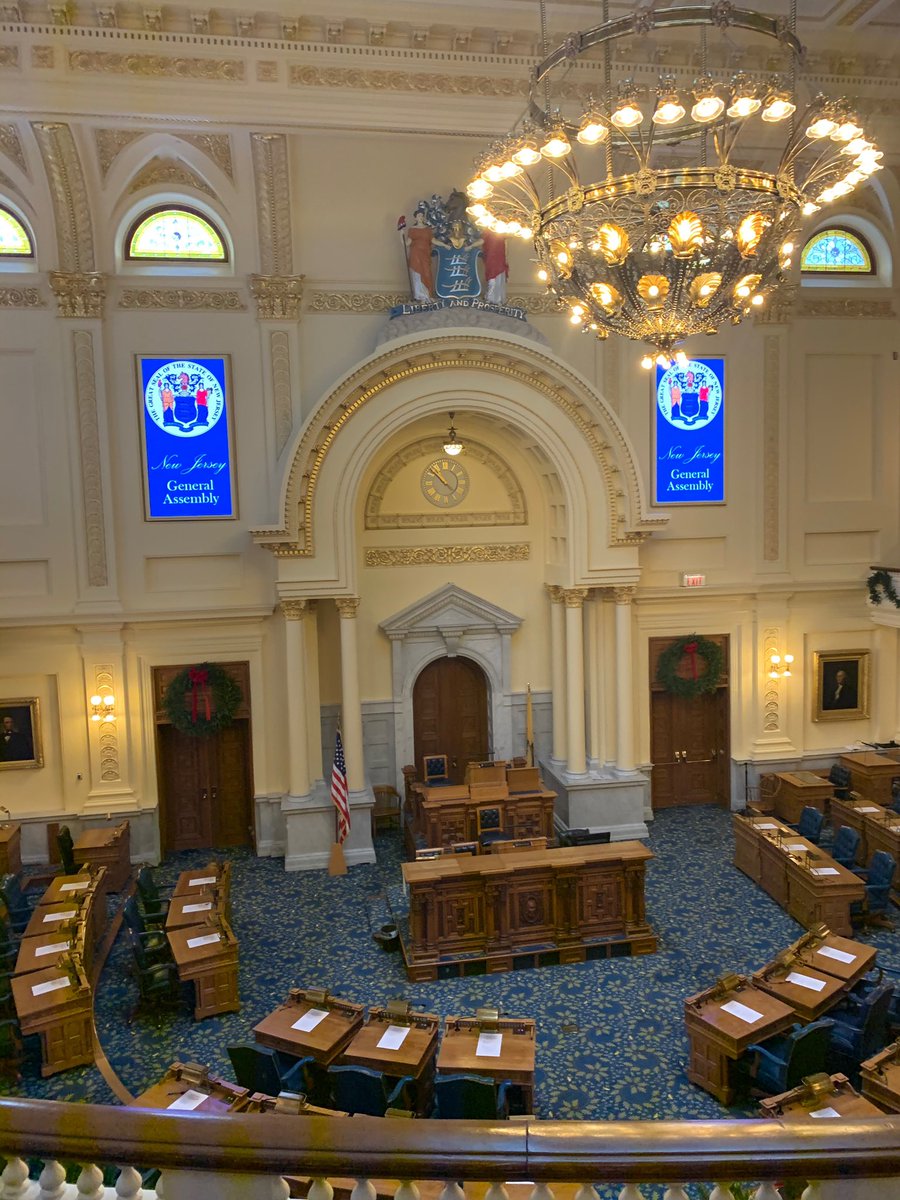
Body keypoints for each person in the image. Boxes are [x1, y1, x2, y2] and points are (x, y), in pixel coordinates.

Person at [406, 209, 434, 302]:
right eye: (419, 216)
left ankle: (429, 295)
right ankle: (420, 296)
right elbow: (407, 243)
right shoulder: (412, 230)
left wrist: (445, 245)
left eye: (422, 216)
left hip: (425, 254)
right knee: (417, 274)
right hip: (416, 254)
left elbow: (433, 240)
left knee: (427, 273)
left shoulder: (428, 229)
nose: (421, 217)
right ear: (415, 218)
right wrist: (400, 234)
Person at [482, 229, 508, 304]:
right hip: (491, 261)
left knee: (498, 282)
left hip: (499, 260)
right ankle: (489, 298)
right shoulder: (488, 234)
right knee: (492, 281)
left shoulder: (501, 236)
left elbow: (505, 247)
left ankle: (497, 300)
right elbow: (483, 241)